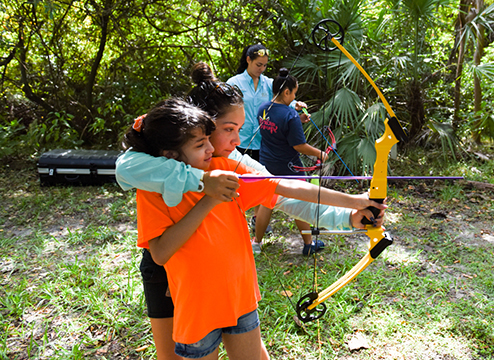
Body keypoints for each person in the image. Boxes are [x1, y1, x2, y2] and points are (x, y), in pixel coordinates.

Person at [116, 62, 385, 360]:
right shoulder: (152, 164)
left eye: (239, 130)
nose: (237, 140)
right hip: (168, 274)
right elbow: (124, 168)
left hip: (228, 283)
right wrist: (206, 185)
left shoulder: (232, 164)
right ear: (201, 124)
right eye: (228, 129)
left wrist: (353, 210)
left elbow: (284, 191)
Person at [226, 44, 309, 243]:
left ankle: (257, 221)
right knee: (238, 183)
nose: (261, 69)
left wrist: (298, 110)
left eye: (264, 65)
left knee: (262, 183)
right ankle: (235, 220)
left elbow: (283, 100)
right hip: (240, 141)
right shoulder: (234, 83)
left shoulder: (268, 83)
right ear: (248, 60)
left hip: (264, 143)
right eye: (258, 64)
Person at [256, 68, 329, 255]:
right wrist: (320, 154)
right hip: (289, 167)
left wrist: (298, 119)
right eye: (294, 92)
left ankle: (256, 243)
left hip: (267, 163)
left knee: (267, 201)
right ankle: (308, 244)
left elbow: (278, 128)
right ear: (286, 91)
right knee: (300, 201)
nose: (295, 97)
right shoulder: (289, 116)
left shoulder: (263, 108)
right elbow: (299, 145)